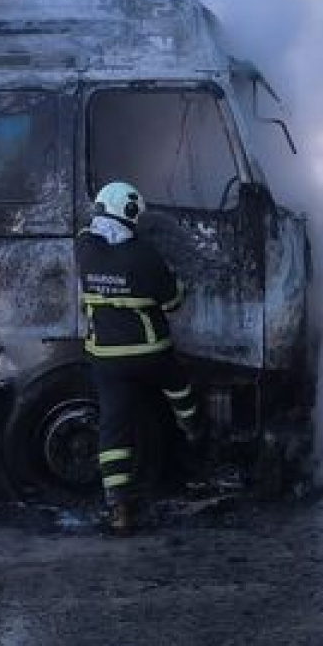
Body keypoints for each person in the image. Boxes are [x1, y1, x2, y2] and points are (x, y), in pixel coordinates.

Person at [75, 181, 203, 533]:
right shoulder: (144, 255)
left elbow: (90, 228)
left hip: (106, 358)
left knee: (114, 428)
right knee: (180, 387)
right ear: (131, 214)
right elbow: (174, 302)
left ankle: (119, 508)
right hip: (151, 353)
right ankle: (195, 433)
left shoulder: (84, 250)